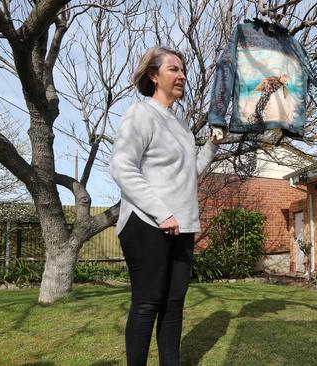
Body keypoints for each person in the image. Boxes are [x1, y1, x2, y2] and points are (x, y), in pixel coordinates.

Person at [110, 47, 222, 366]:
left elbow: (190, 173)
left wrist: (212, 144)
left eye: (183, 70)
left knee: (174, 306)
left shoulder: (182, 127)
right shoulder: (140, 114)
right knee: (147, 304)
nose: (182, 75)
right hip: (147, 224)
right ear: (153, 75)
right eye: (173, 69)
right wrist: (162, 213)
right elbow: (122, 168)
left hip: (182, 226)